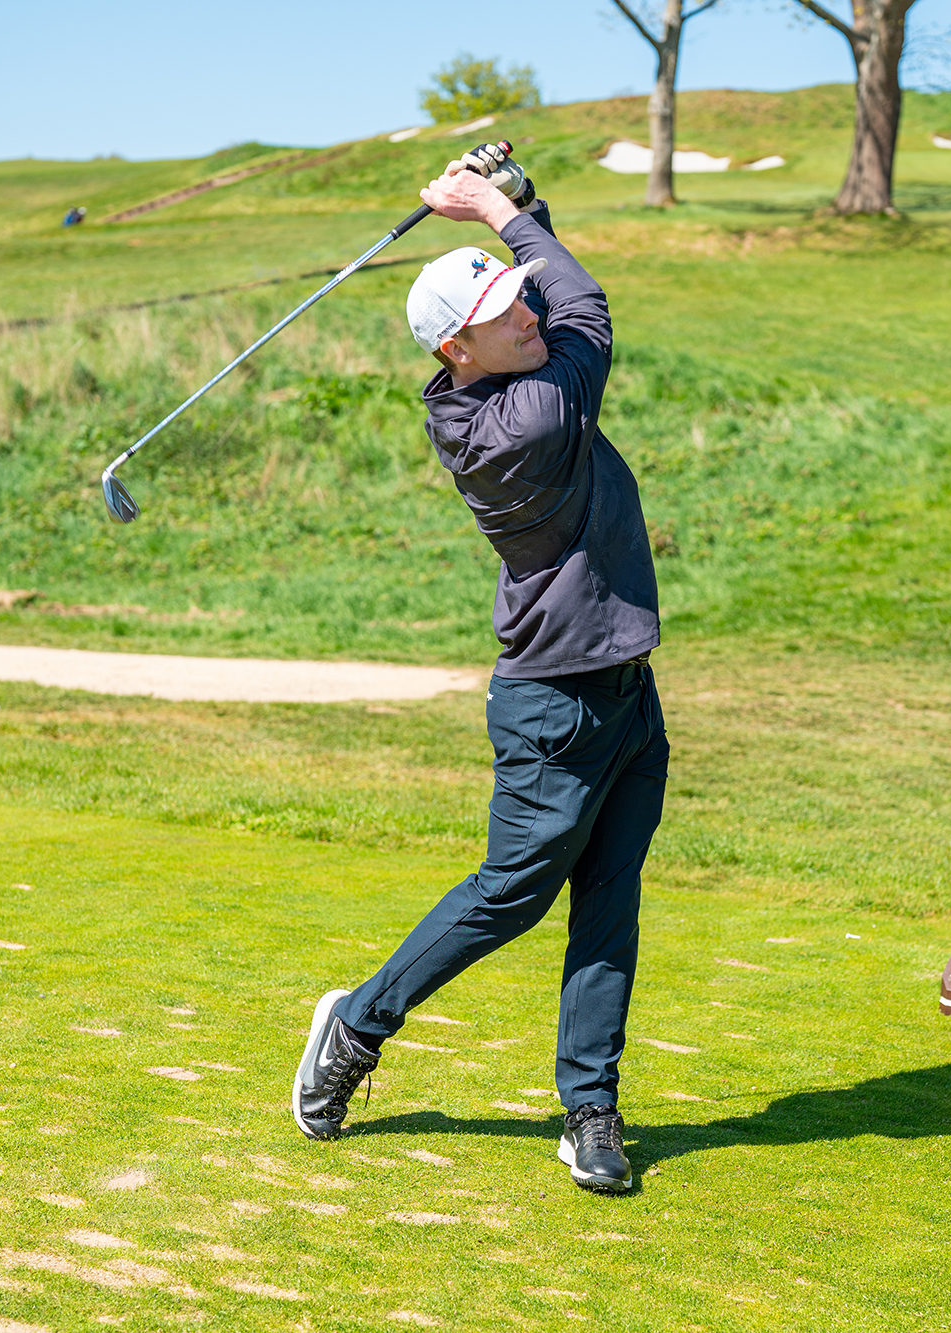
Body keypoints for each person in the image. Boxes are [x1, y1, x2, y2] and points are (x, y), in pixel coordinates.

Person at [291, 150, 667, 1196]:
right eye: (506, 314)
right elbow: (583, 302)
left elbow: (552, 295)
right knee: (511, 894)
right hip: (551, 706)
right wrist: (498, 210)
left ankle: (587, 1105)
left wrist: (516, 207)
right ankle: (356, 1024)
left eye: (518, 301)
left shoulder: (503, 379)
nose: (529, 317)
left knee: (608, 898)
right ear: (456, 348)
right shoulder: (522, 419)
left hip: (627, 691)